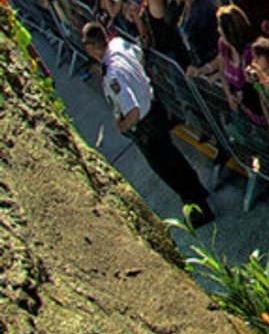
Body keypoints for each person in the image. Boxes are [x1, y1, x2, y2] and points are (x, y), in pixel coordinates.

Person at [82, 21, 215, 228]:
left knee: (169, 170)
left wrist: (123, 125)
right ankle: (198, 191)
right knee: (175, 158)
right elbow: (139, 55)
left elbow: (132, 111)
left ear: (91, 47)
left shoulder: (112, 75)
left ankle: (199, 208)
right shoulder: (118, 44)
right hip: (154, 108)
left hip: (145, 126)